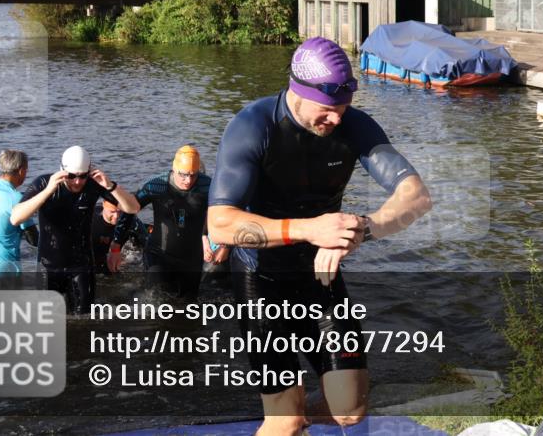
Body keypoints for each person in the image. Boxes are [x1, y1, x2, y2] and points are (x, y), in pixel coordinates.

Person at [207, 37, 432, 435]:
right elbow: (221, 224)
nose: (337, 120)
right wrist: (310, 229)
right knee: (287, 422)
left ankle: (294, 414)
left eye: (343, 109)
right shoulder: (253, 126)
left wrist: (363, 227)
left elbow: (416, 196)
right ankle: (286, 418)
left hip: (320, 276)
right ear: (297, 92)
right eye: (327, 110)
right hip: (261, 280)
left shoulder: (354, 125)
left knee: (350, 410)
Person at [11, 146, 140, 314]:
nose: (77, 181)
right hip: (49, 267)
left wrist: (110, 186)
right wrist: (49, 190)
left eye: (82, 176)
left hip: (82, 265)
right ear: (62, 170)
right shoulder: (44, 183)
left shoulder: (94, 185)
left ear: (89, 171)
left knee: (84, 321)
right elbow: (15, 218)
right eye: (71, 176)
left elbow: (133, 208)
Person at [109, 145, 227, 300]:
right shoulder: (157, 185)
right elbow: (130, 209)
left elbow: (225, 214)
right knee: (155, 300)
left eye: (193, 175)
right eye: (183, 174)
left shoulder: (208, 186)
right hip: (159, 254)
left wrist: (225, 246)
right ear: (174, 168)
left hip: (191, 258)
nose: (188, 180)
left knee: (188, 306)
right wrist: (116, 246)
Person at [91, 200, 150, 275]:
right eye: (112, 211)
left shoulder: (129, 220)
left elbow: (146, 242)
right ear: (104, 206)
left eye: (119, 211)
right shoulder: (90, 221)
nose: (116, 216)